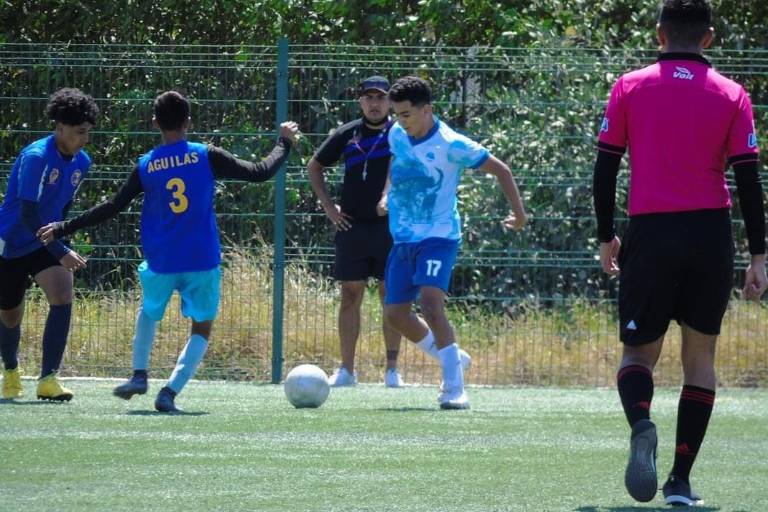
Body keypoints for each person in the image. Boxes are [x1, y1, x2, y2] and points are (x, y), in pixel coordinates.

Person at [593, 0, 767, 505]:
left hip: (649, 231)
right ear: (708, 38)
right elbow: (749, 181)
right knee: (700, 359)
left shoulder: (629, 85)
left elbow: (605, 170)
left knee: (637, 354)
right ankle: (680, 482)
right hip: (710, 234)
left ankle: (642, 423)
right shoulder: (733, 94)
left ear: (659, 35)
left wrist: (607, 235)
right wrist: (758, 255)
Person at [39, 91, 299, 412]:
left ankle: (139, 373)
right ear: (188, 122)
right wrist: (284, 142)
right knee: (202, 326)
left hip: (161, 260)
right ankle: (170, 392)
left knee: (148, 312)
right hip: (201, 259)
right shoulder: (206, 155)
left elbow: (112, 206)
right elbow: (261, 171)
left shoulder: (147, 165)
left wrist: (64, 227)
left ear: (154, 123)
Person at [383, 76, 527, 409]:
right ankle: (453, 357)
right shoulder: (396, 134)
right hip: (403, 238)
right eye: (396, 114)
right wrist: (386, 194)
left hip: (439, 236)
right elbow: (397, 164)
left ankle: (454, 388)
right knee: (395, 315)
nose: (399, 122)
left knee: (432, 306)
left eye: (405, 114)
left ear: (426, 110)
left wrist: (519, 215)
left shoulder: (451, 143)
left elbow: (501, 170)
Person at [0, 88, 98, 402]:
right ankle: (11, 370)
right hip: (12, 242)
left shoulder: (82, 162)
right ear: (59, 128)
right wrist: (62, 250)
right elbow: (29, 212)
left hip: (45, 241)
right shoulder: (36, 157)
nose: (85, 138)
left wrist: (61, 241)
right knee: (9, 315)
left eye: (87, 132)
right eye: (79, 132)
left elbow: (62, 209)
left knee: (62, 293)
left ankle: (48, 379)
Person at [307, 76, 404, 387]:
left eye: (380, 97)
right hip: (351, 227)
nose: (374, 103)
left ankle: (392, 370)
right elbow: (314, 166)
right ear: (360, 101)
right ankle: (347, 370)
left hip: (391, 229)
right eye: (368, 97)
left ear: (390, 101)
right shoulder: (346, 134)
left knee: (392, 295)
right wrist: (329, 207)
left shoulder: (401, 134)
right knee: (350, 296)